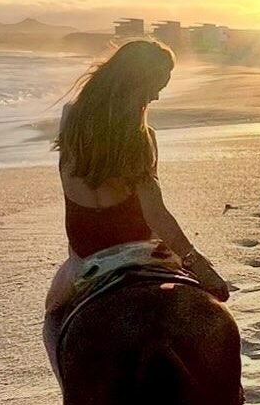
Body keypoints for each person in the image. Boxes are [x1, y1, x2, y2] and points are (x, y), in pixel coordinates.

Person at [44, 40, 230, 335]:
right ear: (136, 84)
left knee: (54, 320)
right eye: (154, 88)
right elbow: (156, 214)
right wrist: (196, 262)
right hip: (141, 252)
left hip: (84, 261)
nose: (156, 96)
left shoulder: (70, 121)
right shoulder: (142, 140)